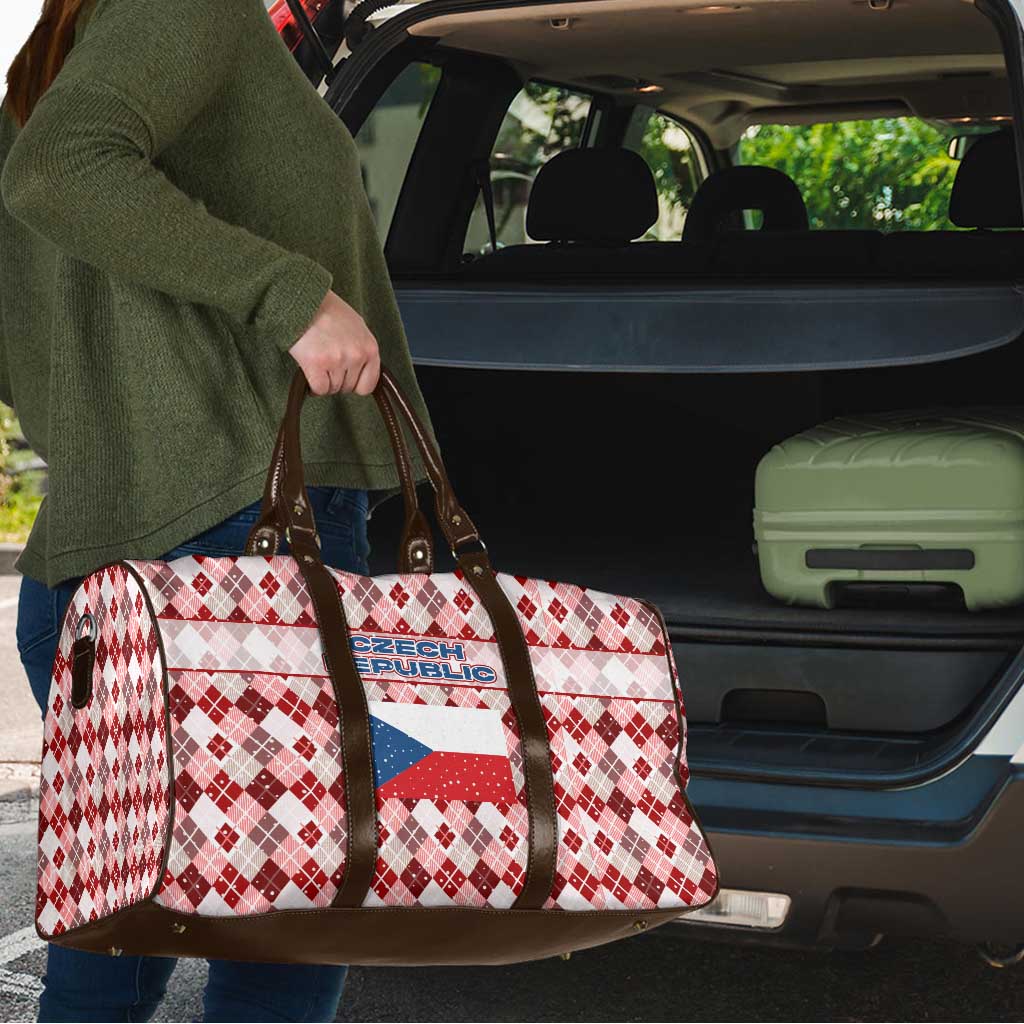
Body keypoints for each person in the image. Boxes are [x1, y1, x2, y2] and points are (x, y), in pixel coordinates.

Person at [1, 0, 433, 1019]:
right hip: (240, 544)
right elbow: (59, 172)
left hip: (108, 554)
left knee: (114, 947)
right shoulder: (184, 8)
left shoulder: (55, 59)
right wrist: (292, 295)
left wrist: (108, 435)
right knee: (281, 932)